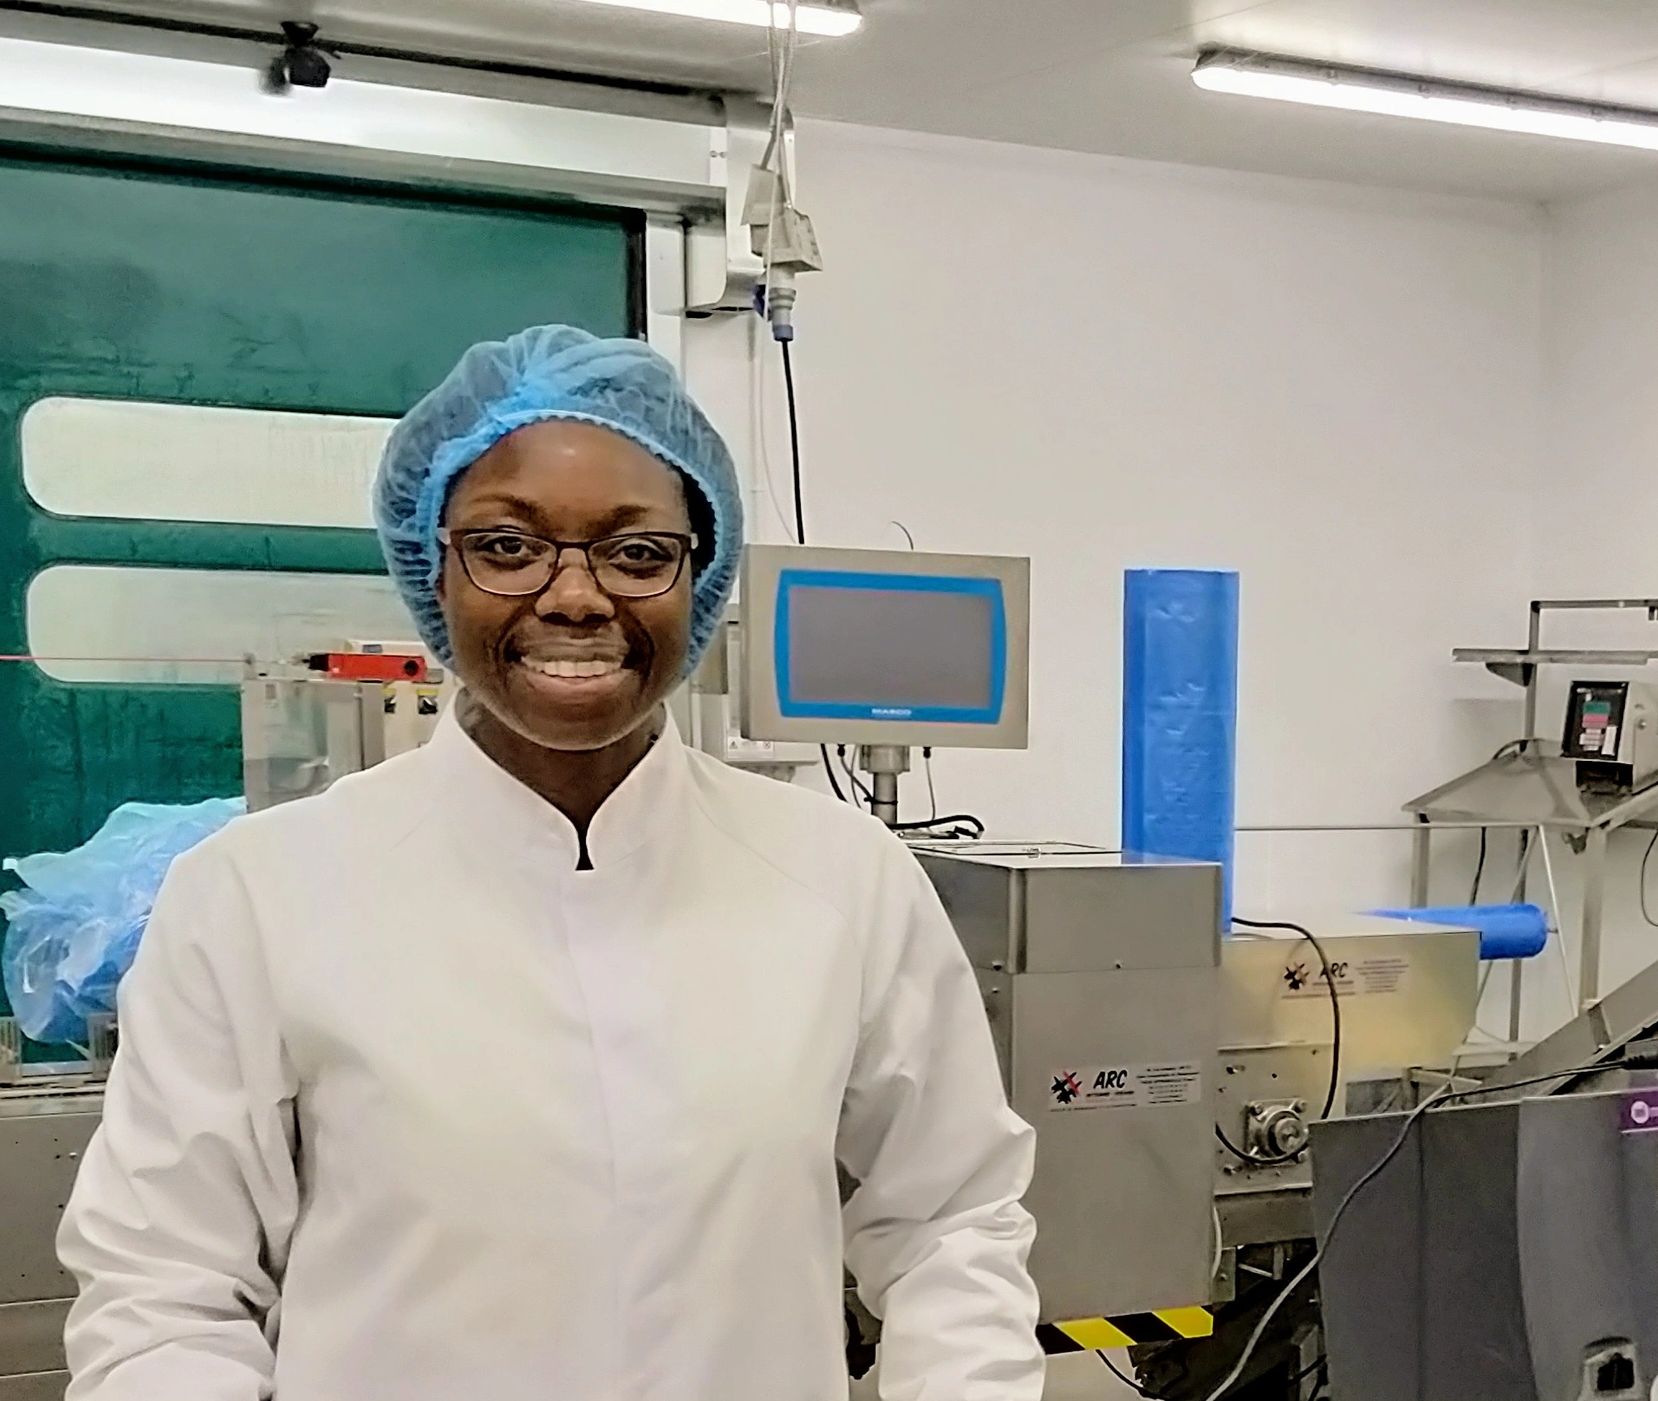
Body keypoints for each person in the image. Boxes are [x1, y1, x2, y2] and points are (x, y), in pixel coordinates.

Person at [57, 326, 1043, 1400]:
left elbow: (952, 1222)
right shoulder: (260, 892)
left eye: (635, 553)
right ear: (432, 563)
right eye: (507, 544)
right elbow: (165, 1291)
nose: (574, 597)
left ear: (698, 577)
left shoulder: (840, 877)